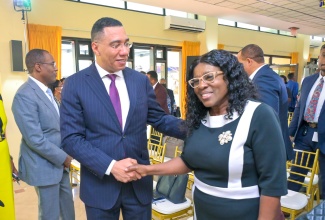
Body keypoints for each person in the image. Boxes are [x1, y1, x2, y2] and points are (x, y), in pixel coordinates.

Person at [127, 49, 287, 219]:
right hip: (202, 211)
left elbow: (272, 185)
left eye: (209, 77)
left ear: (230, 77)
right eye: (196, 81)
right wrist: (146, 169)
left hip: (243, 212)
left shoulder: (258, 115)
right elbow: (189, 161)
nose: (201, 85)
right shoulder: (201, 118)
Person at [60, 17, 185, 220]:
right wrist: (111, 166)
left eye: (126, 43)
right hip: (100, 187)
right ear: (96, 47)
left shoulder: (139, 81)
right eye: (115, 45)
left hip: (139, 184)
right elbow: (71, 139)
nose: (125, 51)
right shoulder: (75, 84)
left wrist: (201, 126)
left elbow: (160, 119)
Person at [11, 49, 75, 220]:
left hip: (60, 164)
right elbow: (35, 139)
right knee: (50, 215)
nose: (56, 68)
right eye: (52, 64)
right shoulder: (24, 95)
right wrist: (64, 157)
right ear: (38, 67)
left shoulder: (48, 93)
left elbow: (57, 127)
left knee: (68, 212)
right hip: (44, 165)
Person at [237, 44, 293, 161]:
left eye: (239, 64)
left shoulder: (264, 79)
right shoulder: (267, 75)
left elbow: (266, 117)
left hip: (267, 148)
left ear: (249, 61)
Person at [287, 44, 325, 199]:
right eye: (323, 55)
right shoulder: (309, 81)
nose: (324, 59)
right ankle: (286, 209)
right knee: (296, 172)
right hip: (305, 133)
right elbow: (299, 108)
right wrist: (290, 133)